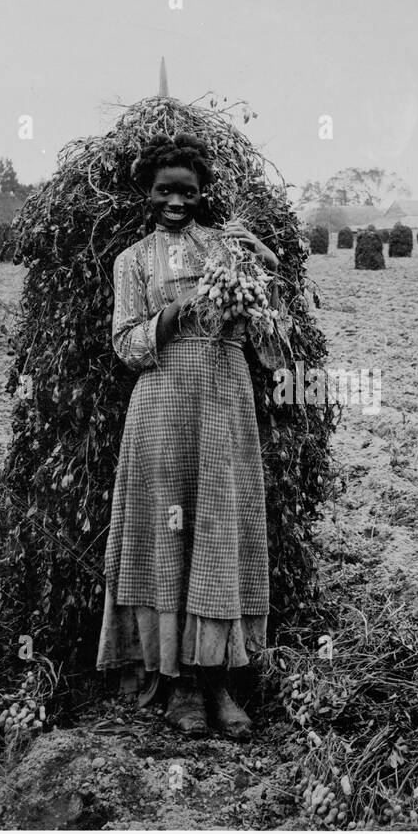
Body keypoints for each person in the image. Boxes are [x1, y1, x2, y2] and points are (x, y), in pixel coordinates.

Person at [97, 133, 279, 739]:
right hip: (160, 408)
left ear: (204, 195)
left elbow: (268, 325)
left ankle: (221, 684)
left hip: (223, 405)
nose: (176, 201)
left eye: (188, 191)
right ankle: (176, 688)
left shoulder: (226, 249)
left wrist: (257, 274)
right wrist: (172, 315)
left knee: (217, 533)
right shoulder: (132, 261)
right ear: (147, 194)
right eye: (164, 190)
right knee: (165, 538)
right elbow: (125, 345)